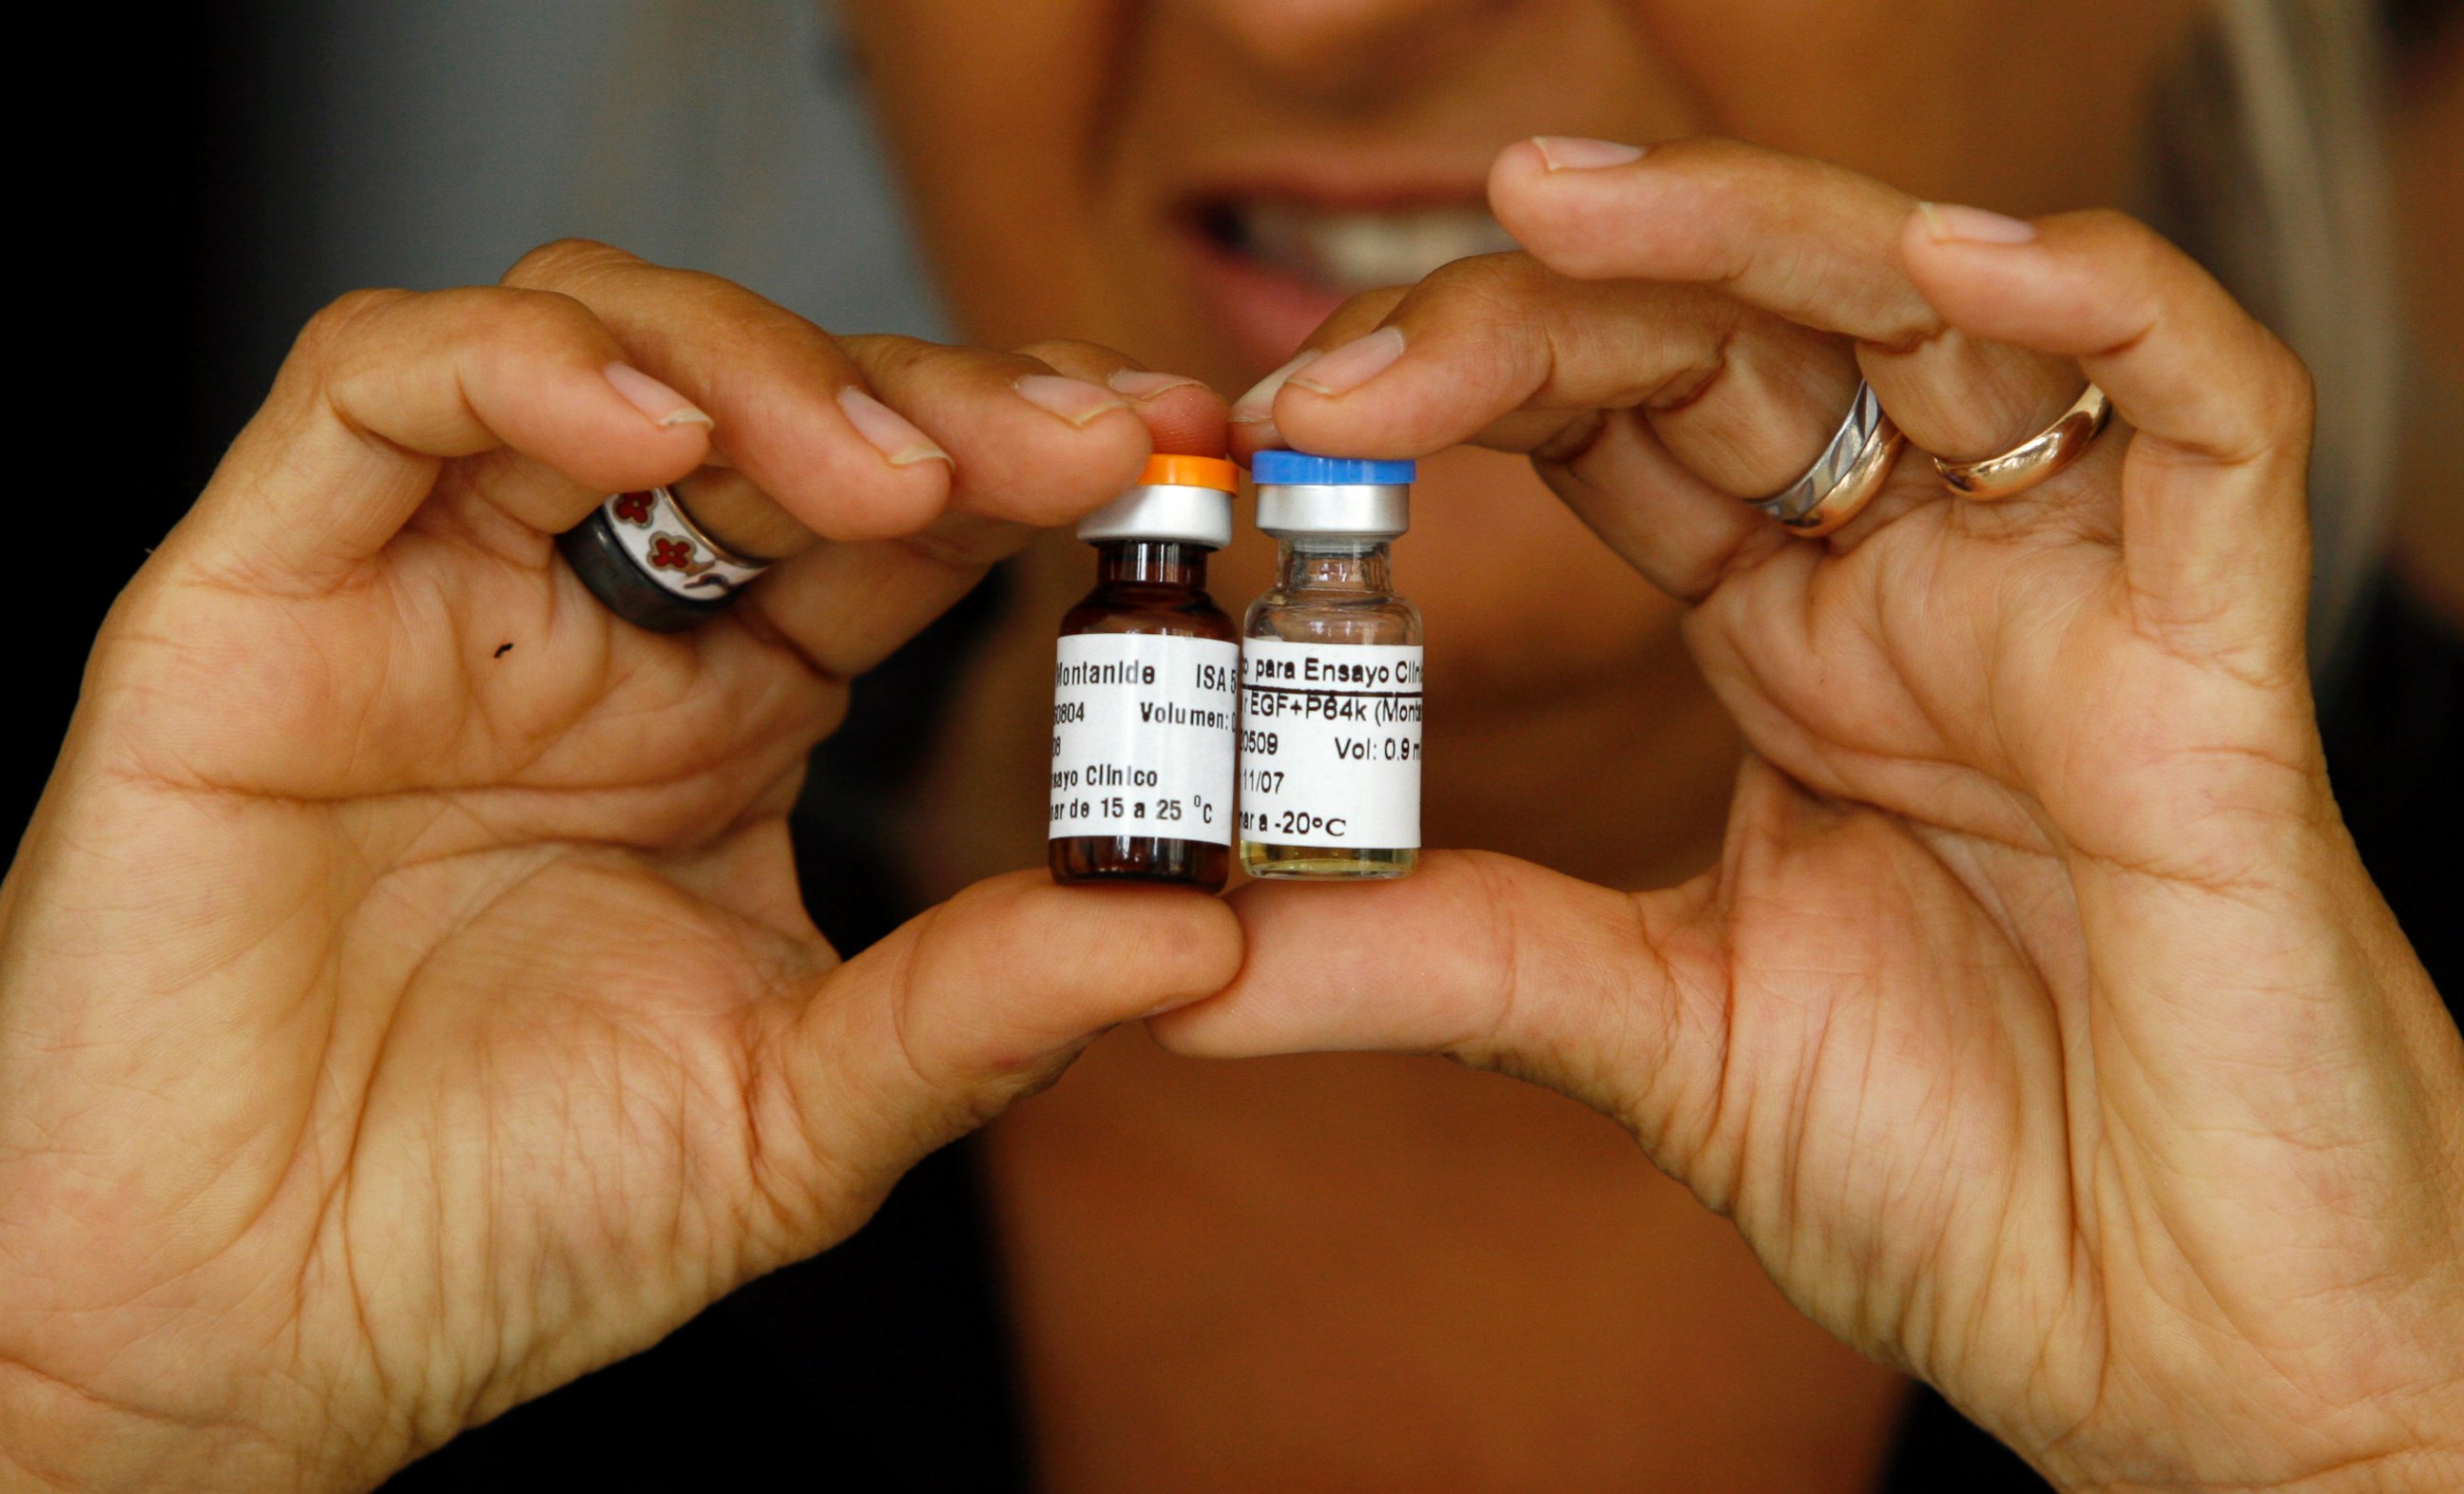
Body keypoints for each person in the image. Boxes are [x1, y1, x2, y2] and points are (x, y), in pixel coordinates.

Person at [5, 2, 2460, 1490]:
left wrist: (2359, 1444)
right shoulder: (260, 1016)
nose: (1317, 18)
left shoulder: (2388, 1255)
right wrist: (95, 1414)